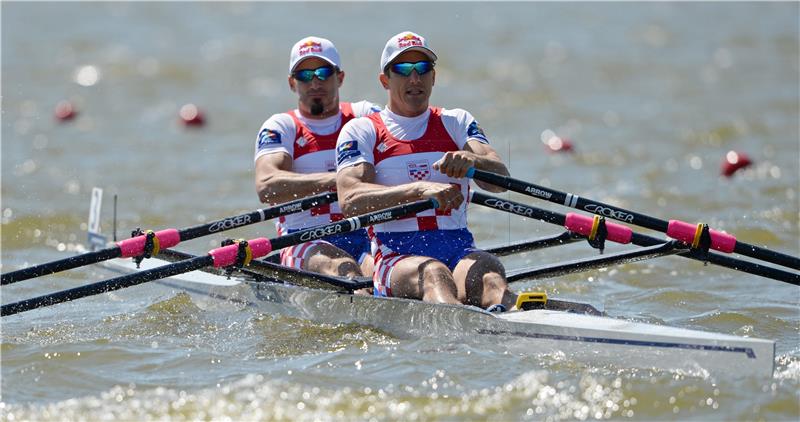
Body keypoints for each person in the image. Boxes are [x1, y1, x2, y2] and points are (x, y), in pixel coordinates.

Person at [335, 31, 516, 311]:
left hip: (458, 249)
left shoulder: (456, 122)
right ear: (385, 80)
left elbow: (500, 181)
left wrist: (473, 162)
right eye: (403, 70)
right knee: (434, 274)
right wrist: (420, 190)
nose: (414, 79)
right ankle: (459, 339)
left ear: (434, 77)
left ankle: (512, 326)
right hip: (395, 255)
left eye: (422, 69)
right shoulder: (363, 130)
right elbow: (350, 200)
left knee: (490, 273)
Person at [255, 36, 381, 279]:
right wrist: (343, 181)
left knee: (380, 273)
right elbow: (267, 187)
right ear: (292, 83)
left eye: (323, 72)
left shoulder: (364, 116)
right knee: (343, 268)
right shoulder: (282, 127)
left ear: (340, 77)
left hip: (363, 235)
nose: (314, 83)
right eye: (304, 75)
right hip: (304, 238)